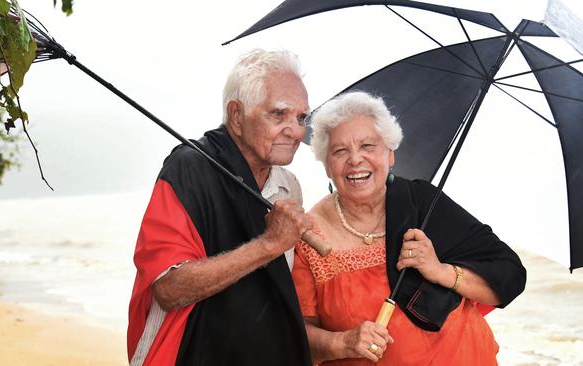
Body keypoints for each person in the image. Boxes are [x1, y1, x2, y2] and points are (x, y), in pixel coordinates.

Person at [292, 91, 526, 365]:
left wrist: (442, 272)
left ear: (389, 154)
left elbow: (509, 273)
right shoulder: (309, 234)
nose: (355, 159)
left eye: (368, 146)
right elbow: (296, 336)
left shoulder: (422, 203)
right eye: (340, 150)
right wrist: (342, 342)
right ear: (327, 166)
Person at [127, 49, 314, 366]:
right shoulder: (188, 169)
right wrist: (269, 244)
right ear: (237, 116)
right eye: (278, 114)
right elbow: (169, 289)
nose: (296, 131)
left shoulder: (288, 186)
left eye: (301, 118)